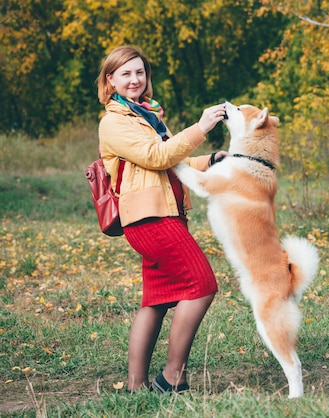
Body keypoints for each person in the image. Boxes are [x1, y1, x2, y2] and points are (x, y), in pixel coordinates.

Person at [96, 45, 227, 393]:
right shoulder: (114, 122)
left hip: (165, 213)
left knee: (155, 300)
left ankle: (136, 388)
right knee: (201, 287)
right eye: (125, 73)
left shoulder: (146, 115)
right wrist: (200, 127)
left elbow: (173, 164)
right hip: (150, 218)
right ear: (110, 80)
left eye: (139, 72)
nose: (135, 79)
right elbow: (157, 156)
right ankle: (171, 377)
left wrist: (210, 160)